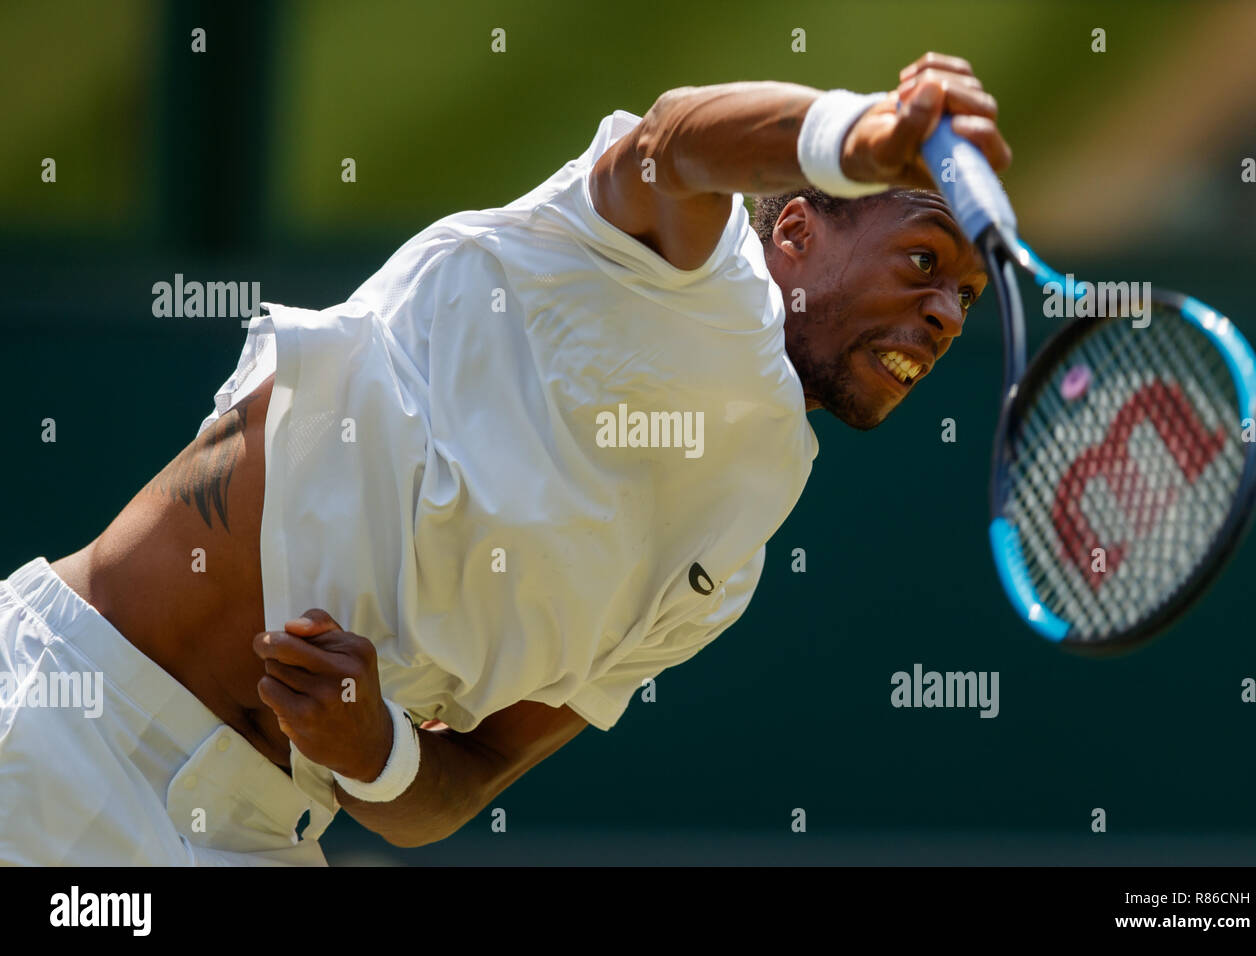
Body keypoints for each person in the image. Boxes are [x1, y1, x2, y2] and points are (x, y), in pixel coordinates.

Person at [0, 51, 1007, 864]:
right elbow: (676, 135)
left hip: (254, 831)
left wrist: (378, 751)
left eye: (964, 291)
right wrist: (859, 132)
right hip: (61, 717)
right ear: (794, 226)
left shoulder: (730, 563)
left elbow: (465, 778)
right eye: (923, 260)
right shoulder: (675, 269)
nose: (945, 310)